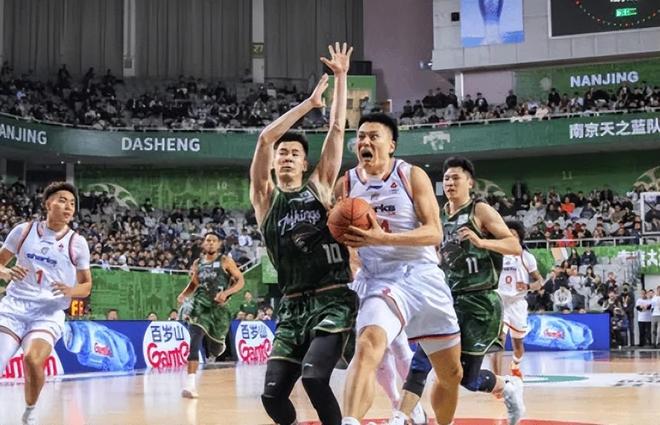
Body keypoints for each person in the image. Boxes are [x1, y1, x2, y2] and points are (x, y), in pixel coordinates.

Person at [250, 43, 356, 425]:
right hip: (292, 305)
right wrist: (309, 105)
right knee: (271, 396)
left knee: (313, 379)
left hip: (332, 297)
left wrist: (341, 77)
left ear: (304, 162)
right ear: (275, 163)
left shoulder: (320, 186)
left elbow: (337, 130)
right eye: (283, 153)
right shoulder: (265, 199)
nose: (287, 156)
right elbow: (265, 139)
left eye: (295, 153)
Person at [336, 113, 462, 425]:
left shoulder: (410, 175)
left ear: (391, 145)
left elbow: (434, 232)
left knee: (451, 374)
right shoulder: (346, 184)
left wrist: (384, 238)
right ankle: (350, 421)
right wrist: (354, 260)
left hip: (422, 274)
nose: (365, 141)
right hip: (380, 279)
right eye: (361, 136)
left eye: (373, 136)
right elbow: (342, 237)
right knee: (367, 345)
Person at [389, 157, 525, 425]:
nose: (450, 183)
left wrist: (481, 242)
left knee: (467, 379)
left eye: (456, 178)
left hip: (480, 300)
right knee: (421, 363)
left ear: (470, 182)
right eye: (446, 178)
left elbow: (514, 246)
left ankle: (507, 385)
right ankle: (400, 417)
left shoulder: (480, 210)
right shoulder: (438, 216)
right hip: (446, 300)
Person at [0, 181, 92, 425]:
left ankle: (30, 411)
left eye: (72, 203)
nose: (68, 207)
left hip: (47, 313)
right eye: (62, 200)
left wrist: (71, 290)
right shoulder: (23, 231)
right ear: (47, 203)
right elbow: (0, 263)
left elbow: (86, 285)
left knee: (32, 359)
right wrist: (6, 272)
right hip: (13, 308)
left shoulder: (77, 243)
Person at [176, 232, 244, 398]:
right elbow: (194, 284)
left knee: (216, 348)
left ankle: (218, 346)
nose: (211, 243)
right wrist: (184, 294)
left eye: (214, 241)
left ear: (219, 244)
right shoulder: (198, 263)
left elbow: (241, 281)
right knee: (194, 339)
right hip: (200, 305)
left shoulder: (225, 261)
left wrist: (226, 293)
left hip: (219, 310)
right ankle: (190, 385)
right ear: (203, 244)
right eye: (208, 240)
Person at [493, 220, 543, 378]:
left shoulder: (526, 257)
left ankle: (515, 365)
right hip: (500, 302)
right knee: (499, 341)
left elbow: (540, 281)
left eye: (514, 235)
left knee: (518, 346)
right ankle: (498, 380)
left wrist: (528, 286)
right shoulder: (497, 254)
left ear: (520, 237)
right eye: (508, 234)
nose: (511, 237)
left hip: (518, 303)